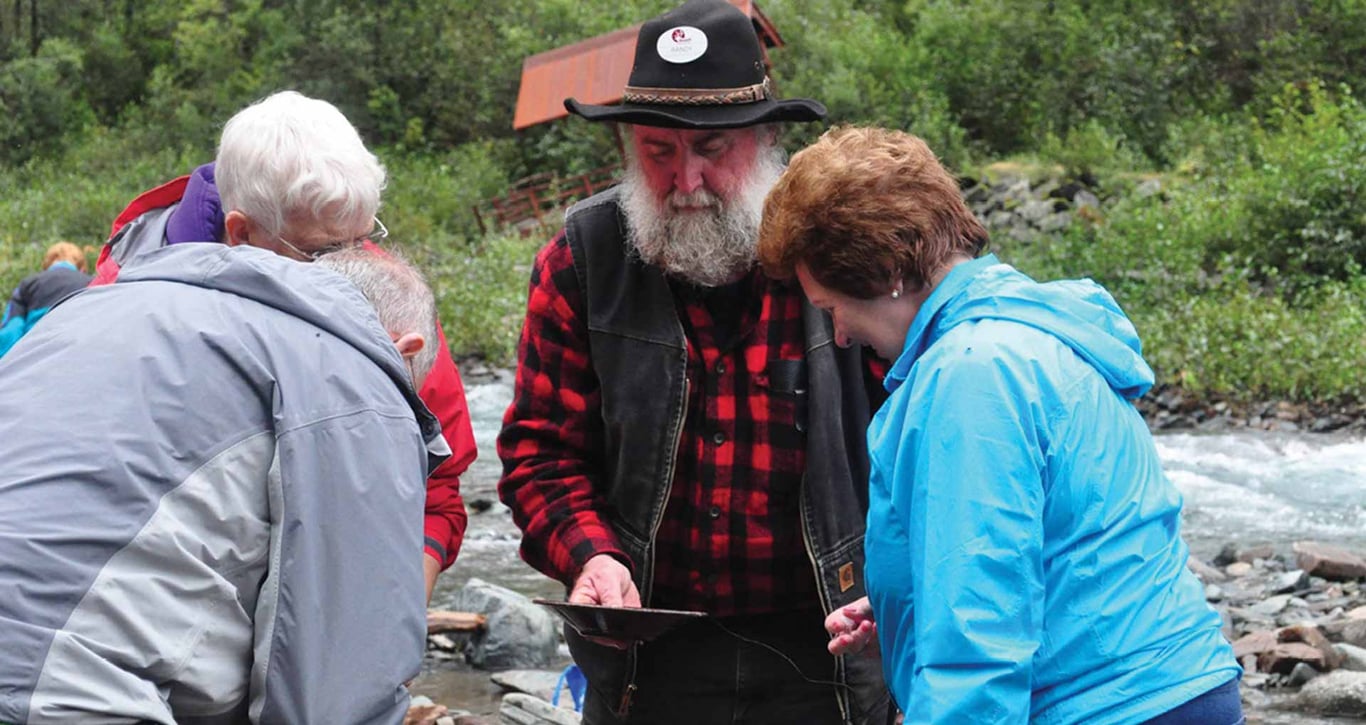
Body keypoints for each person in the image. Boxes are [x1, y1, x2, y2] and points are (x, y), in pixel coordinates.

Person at [758, 126, 1244, 724]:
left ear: (883, 271)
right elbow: (1061, 540)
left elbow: (978, 639)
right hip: (1177, 686)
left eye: (833, 307)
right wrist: (910, 595)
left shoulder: (968, 377)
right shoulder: (1037, 329)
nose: (838, 335)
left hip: (1102, 707)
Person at [497, 1, 891, 723]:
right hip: (650, 645)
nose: (684, 182)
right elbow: (540, 452)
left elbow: (917, 441)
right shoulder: (583, 261)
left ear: (767, 137)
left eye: (712, 150)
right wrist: (592, 556)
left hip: (832, 640)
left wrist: (905, 589)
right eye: (658, 152)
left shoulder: (837, 253)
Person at [0, 243, 446, 724]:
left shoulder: (99, 307)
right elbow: (334, 687)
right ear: (405, 348)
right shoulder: (355, 379)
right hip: (63, 692)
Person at [94, 90, 476, 602]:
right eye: (324, 252)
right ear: (241, 233)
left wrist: (395, 620)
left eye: (361, 238)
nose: (353, 269)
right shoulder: (120, 310)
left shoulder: (376, 288)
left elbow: (436, 491)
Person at [0, 241, 92, 358]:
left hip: (34, 358)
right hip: (80, 357)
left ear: (47, 265)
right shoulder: (93, 284)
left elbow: (12, 330)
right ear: (82, 268)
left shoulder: (29, 284)